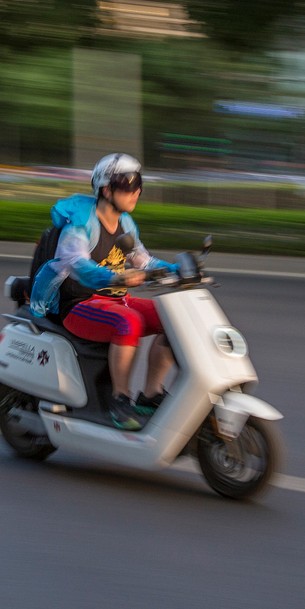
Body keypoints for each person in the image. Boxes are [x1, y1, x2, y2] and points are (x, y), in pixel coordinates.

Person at [29, 154, 178, 430]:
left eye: (139, 183)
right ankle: (119, 401)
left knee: (174, 318)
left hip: (115, 299)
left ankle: (151, 395)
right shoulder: (81, 224)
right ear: (106, 189)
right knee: (128, 321)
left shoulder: (126, 223)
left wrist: (178, 269)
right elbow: (77, 264)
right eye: (127, 183)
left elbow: (142, 259)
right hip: (78, 304)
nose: (136, 191)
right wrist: (116, 276)